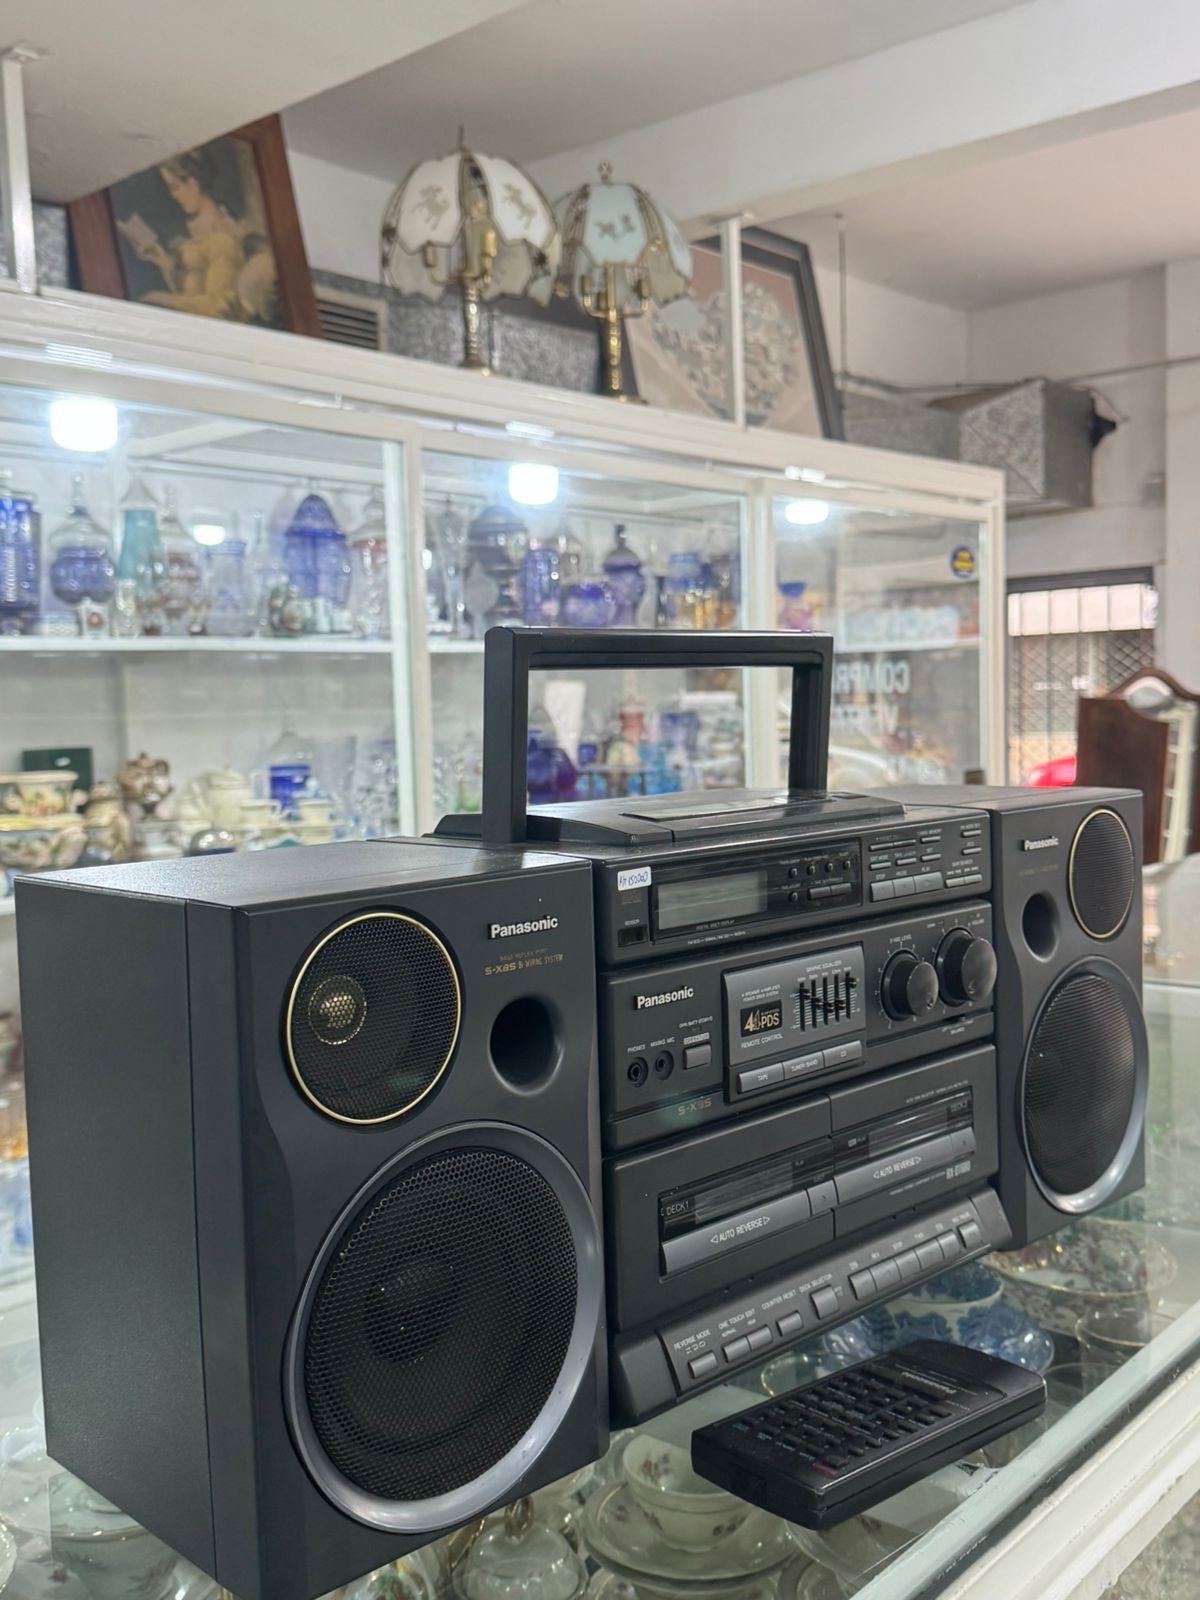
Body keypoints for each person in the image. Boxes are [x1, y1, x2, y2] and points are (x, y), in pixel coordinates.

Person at [116, 147, 279, 324]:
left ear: (193, 184)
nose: (174, 196)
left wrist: (160, 299)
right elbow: (191, 291)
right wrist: (161, 259)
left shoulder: (222, 235)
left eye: (175, 187)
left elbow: (220, 306)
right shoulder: (194, 231)